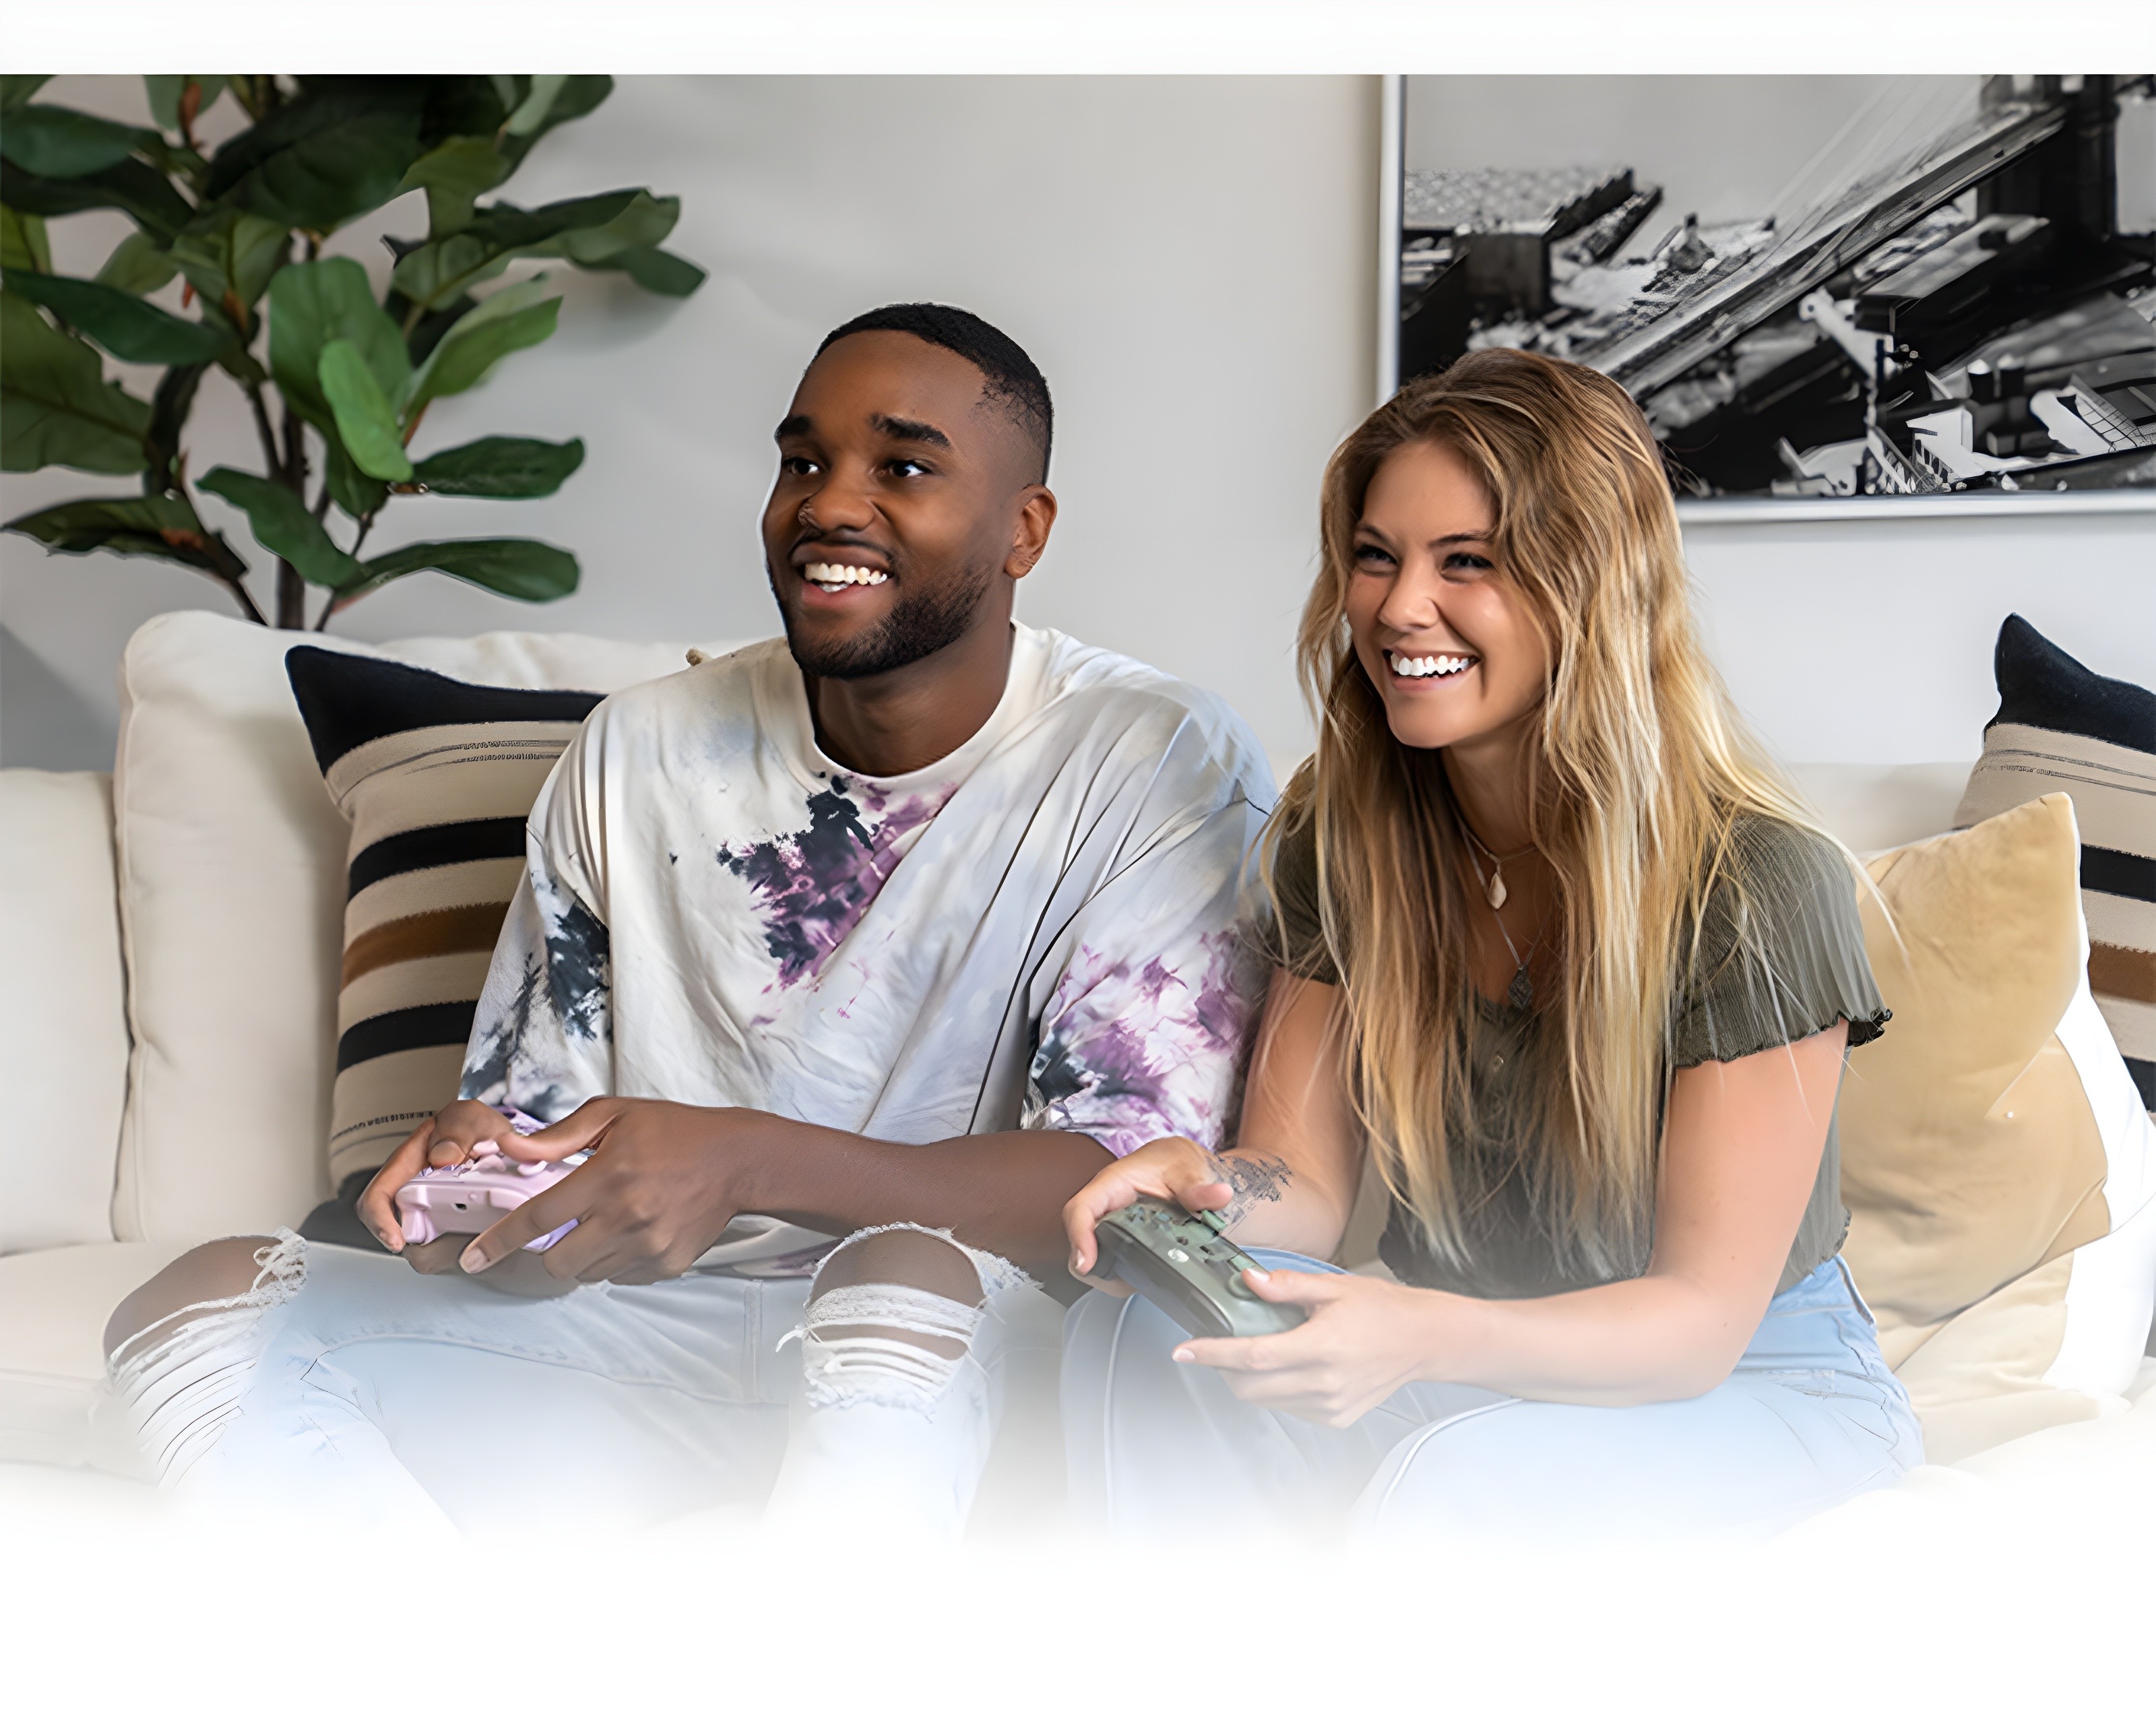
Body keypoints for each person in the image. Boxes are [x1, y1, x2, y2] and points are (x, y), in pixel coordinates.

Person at [104, 303, 1271, 1537]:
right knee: (197, 1307)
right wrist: (482, 1169)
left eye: (905, 467)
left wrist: (752, 1161)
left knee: (895, 1273)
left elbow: (1131, 1190)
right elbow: (544, 1134)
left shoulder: (1151, 756)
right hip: (649, 1338)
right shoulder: (637, 749)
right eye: (803, 461)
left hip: (964, 1338)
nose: (830, 503)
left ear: (1023, 530)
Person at [1060, 348, 1924, 1541]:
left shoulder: (1753, 884)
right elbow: (1304, 1187)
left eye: (1468, 562)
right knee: (1141, 1332)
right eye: (1377, 556)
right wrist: (1200, 1196)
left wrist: (1423, 1336)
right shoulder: (1346, 830)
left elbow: (1697, 1323)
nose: (1400, 608)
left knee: (1462, 1483)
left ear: (1590, 585)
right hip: (1467, 1347)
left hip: (1754, 1382)